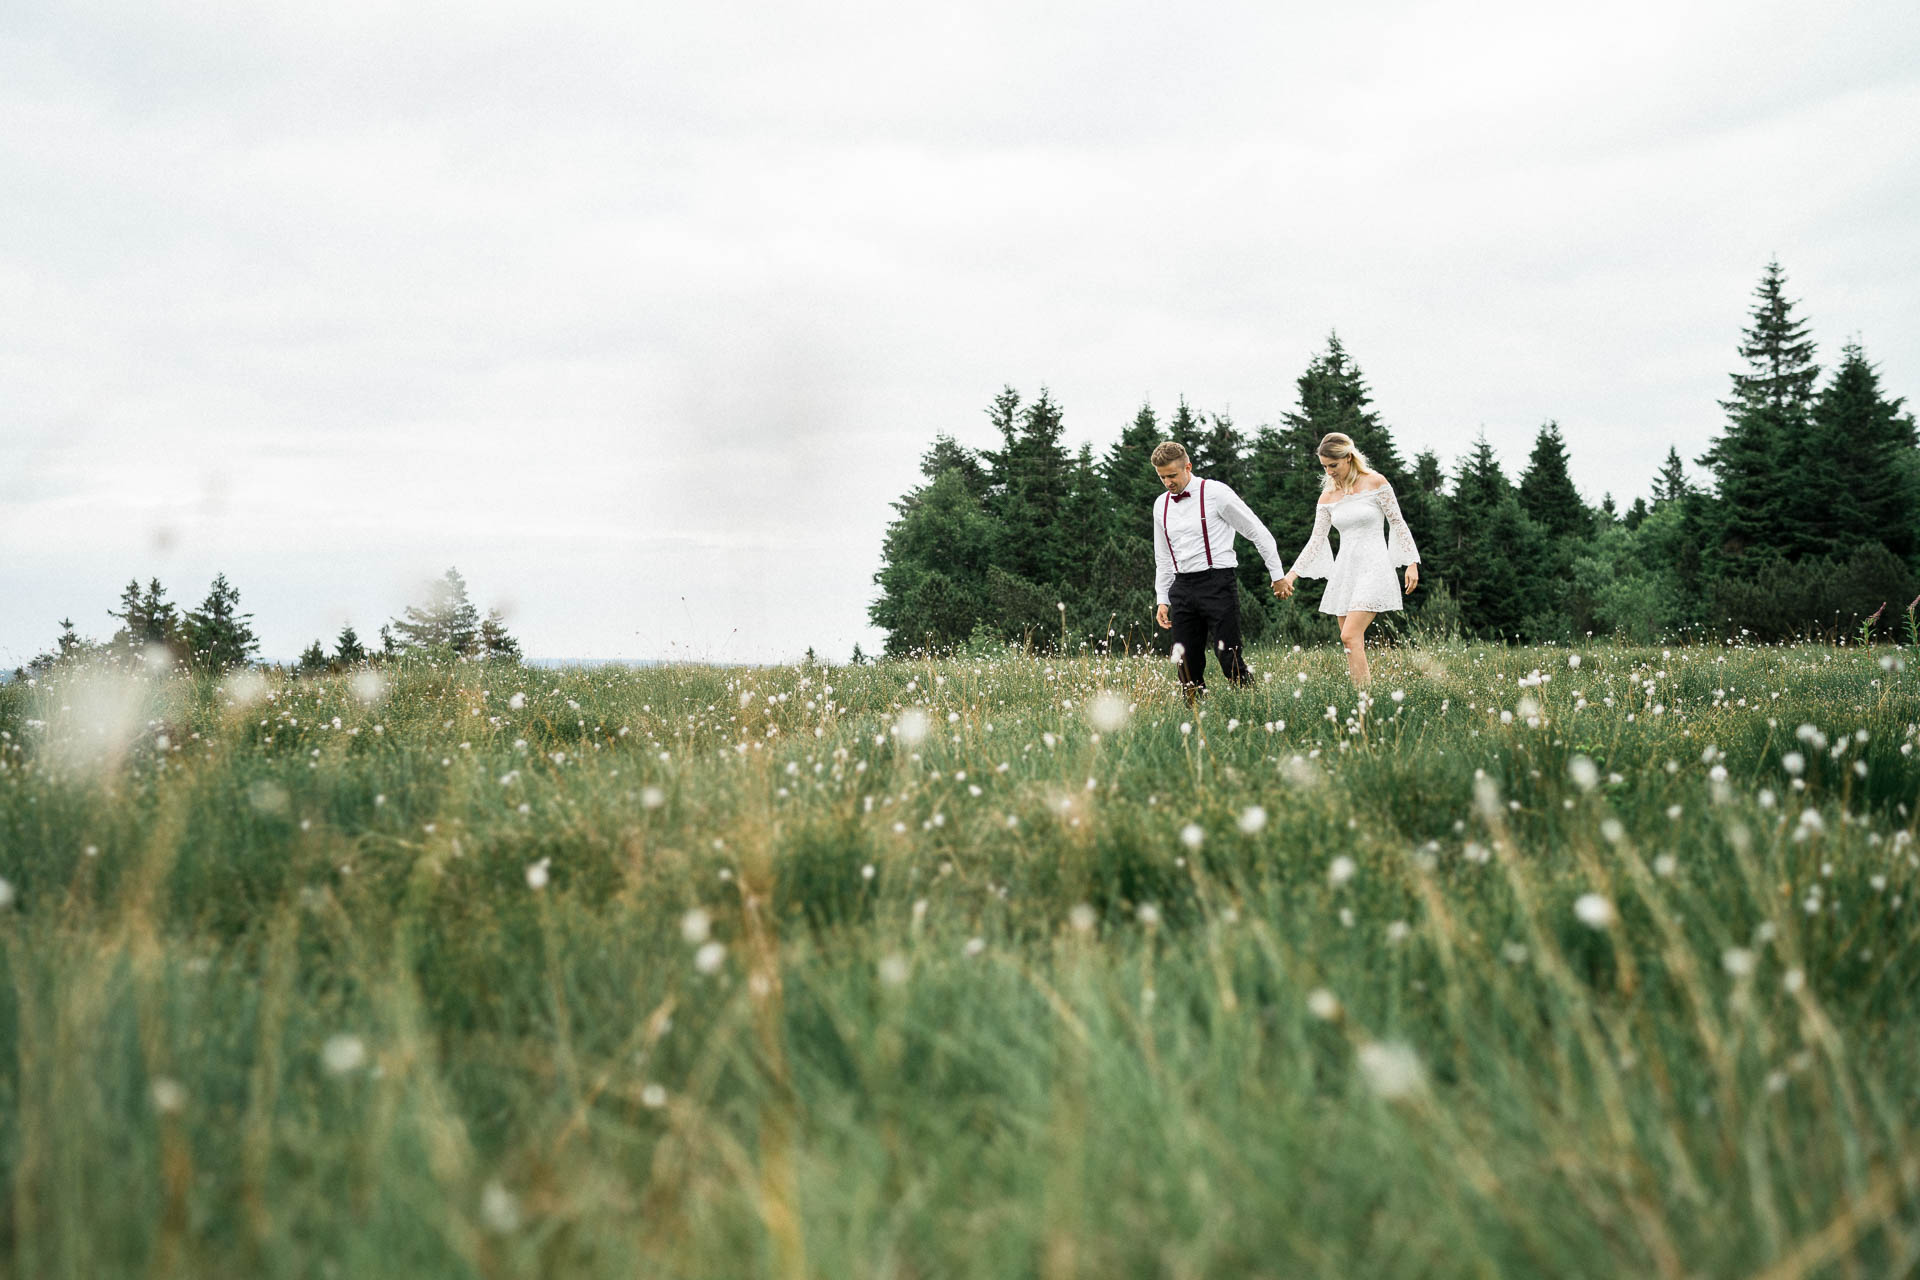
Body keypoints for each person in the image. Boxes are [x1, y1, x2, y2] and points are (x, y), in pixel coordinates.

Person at [1275, 432, 1420, 688]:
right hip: (1346, 571)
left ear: (1349, 458)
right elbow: (1316, 541)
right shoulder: (1327, 497)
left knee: (1349, 634)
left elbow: (1397, 522)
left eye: (1334, 465)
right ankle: (1362, 698)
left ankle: (1364, 696)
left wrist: (1411, 562)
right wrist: (1290, 575)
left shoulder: (1376, 482)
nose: (1329, 472)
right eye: (1324, 467)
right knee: (1351, 642)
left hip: (1374, 566)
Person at [1150, 441, 1288, 696]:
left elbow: (1257, 531)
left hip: (1217, 583)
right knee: (1186, 664)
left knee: (1229, 656)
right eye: (1162, 477)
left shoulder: (1216, 493)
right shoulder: (1161, 505)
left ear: (1188, 467)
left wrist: (1277, 575)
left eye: (1172, 475)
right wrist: (1162, 599)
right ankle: (1194, 718)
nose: (1168, 482)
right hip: (1181, 587)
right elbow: (1163, 555)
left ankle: (1251, 705)